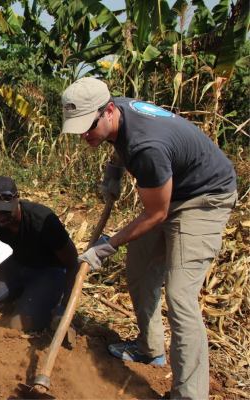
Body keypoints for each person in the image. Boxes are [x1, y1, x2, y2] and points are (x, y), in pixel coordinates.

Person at [62, 77, 237, 400]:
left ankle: (189, 394)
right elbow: (122, 142)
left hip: (204, 197)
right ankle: (148, 347)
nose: (83, 134)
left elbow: (157, 214)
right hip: (172, 189)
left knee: (181, 297)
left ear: (108, 110)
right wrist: (113, 173)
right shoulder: (121, 112)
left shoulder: (146, 147)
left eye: (88, 126)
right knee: (140, 270)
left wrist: (106, 245)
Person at [0, 176, 80, 333]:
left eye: (5, 211)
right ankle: (23, 291)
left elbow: (73, 264)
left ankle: (44, 298)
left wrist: (65, 308)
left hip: (50, 271)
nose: (0, 217)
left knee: (19, 326)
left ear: (17, 198)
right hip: (19, 264)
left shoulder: (43, 221)